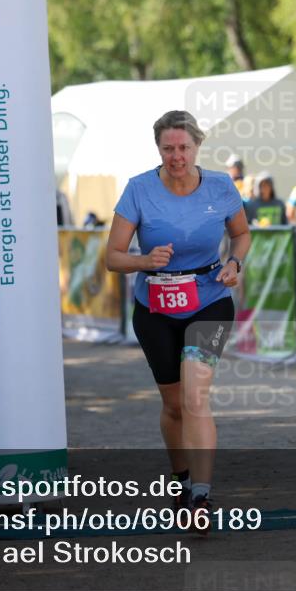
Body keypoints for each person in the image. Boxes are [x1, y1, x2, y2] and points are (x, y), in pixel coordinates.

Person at [105, 110, 250, 533]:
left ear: (197, 147)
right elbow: (113, 257)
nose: (176, 156)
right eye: (168, 148)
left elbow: (241, 233)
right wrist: (143, 260)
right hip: (155, 306)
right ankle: (182, 479)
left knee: (195, 397)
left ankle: (201, 496)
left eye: (184, 147)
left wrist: (235, 261)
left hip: (209, 300)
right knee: (172, 405)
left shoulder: (222, 186)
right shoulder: (139, 190)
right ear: (159, 150)